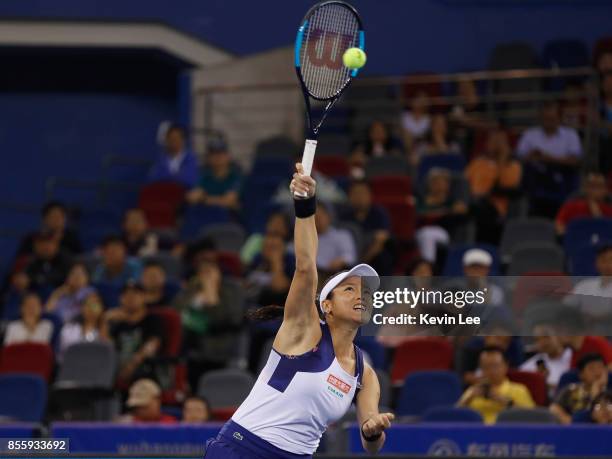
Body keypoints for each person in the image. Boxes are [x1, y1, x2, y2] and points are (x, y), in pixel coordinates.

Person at [204, 163, 393, 458]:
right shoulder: (304, 329)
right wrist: (305, 206)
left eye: (366, 292)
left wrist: (373, 430)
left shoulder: (364, 374)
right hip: (244, 448)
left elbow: (372, 445)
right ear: (326, 306)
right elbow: (305, 267)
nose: (362, 295)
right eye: (350, 289)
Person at [516, 101, 583, 217]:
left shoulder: (570, 135)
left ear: (559, 118)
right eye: (545, 118)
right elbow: (519, 159)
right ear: (541, 118)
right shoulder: (530, 135)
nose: (548, 122)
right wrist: (531, 157)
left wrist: (547, 158)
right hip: (536, 182)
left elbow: (575, 161)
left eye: (552, 118)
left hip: (563, 180)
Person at [465, 128, 522, 244]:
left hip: (494, 208)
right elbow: (463, 184)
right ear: (486, 143)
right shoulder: (477, 163)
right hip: (471, 202)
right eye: (493, 140)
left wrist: (501, 160)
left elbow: (501, 188)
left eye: (500, 141)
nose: (496, 144)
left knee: (479, 205)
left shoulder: (512, 166)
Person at [457, 346, 535, 424]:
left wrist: (505, 401)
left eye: (495, 366)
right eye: (485, 367)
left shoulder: (519, 390)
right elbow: (455, 416)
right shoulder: (473, 390)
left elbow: (532, 418)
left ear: (506, 366)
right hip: (478, 433)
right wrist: (469, 399)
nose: (491, 371)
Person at [107, 280, 163, 385]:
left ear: (144, 297)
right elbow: (107, 346)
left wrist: (131, 365)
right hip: (118, 367)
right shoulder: (118, 323)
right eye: (126, 294)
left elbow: (152, 345)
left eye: (135, 294)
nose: (130, 297)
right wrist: (104, 321)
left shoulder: (152, 319)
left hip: (144, 368)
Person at [339, 180, 394, 275]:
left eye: (363, 193)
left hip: (371, 255)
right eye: (355, 193)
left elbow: (381, 239)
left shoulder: (378, 213)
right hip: (350, 253)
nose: (359, 197)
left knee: (383, 256)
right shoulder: (344, 216)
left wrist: (360, 263)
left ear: (370, 195)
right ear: (349, 196)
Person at [415, 168, 468, 262]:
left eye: (441, 182)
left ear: (447, 185)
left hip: (441, 232)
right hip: (418, 230)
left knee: (428, 234)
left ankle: (428, 266)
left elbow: (462, 214)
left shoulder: (452, 202)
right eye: (434, 182)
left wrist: (452, 211)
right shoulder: (420, 201)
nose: (437, 185)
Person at [564, 243, 612, 332]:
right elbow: (566, 307)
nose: (608, 264)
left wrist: (596, 318)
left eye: (611, 260)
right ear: (597, 262)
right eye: (603, 260)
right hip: (585, 332)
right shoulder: (584, 285)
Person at [550, 353, 609, 424]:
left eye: (600, 367)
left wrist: (596, 392)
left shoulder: (609, 392)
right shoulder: (571, 390)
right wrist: (569, 421)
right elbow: (554, 408)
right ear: (581, 375)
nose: (597, 372)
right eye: (591, 368)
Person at [185, 138, 243, 210]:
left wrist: (204, 199)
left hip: (231, 218)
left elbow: (228, 201)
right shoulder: (205, 176)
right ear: (208, 158)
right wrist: (218, 200)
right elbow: (192, 197)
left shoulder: (237, 176)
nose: (218, 157)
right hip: (207, 216)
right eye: (213, 154)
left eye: (221, 153)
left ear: (228, 156)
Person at [520, 324, 572, 395]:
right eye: (537, 339)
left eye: (546, 336)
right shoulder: (531, 364)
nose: (543, 342)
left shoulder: (573, 356)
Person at [17, 201, 81, 257]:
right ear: (44, 219)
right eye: (53, 216)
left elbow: (79, 259)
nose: (57, 220)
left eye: (60, 216)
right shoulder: (32, 239)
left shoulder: (71, 239)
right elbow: (20, 261)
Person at [58, 291, 108, 360]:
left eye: (95, 305)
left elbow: (106, 354)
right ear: (82, 308)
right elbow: (64, 352)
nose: (91, 308)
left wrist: (103, 324)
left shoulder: (106, 329)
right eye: (88, 304)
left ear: (101, 308)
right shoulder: (69, 328)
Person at [149, 124, 199, 188]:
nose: (174, 141)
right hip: (164, 192)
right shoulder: (161, 158)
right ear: (167, 140)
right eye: (171, 138)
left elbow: (190, 180)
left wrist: (167, 177)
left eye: (177, 138)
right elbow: (153, 178)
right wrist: (176, 176)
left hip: (184, 194)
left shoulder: (190, 158)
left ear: (183, 140)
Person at [315, 203, 357, 274]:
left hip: (337, 274)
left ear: (329, 217)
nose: (317, 219)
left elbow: (350, 256)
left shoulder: (342, 235)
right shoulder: (306, 238)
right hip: (314, 275)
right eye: (314, 217)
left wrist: (341, 260)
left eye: (320, 216)